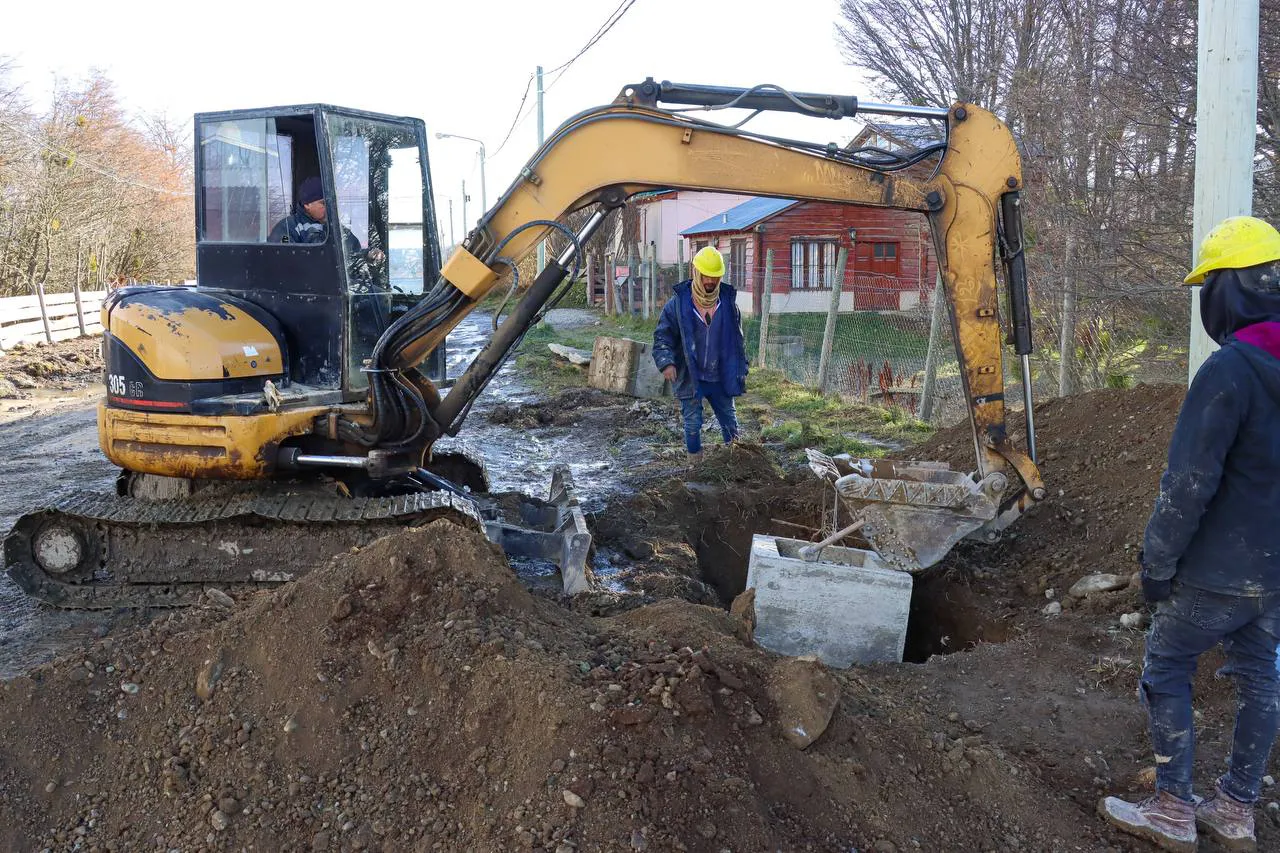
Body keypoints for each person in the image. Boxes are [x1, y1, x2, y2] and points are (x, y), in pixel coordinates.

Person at [1100, 215, 1280, 853]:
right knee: (1263, 677)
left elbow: (1188, 485)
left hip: (1215, 569)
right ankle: (1235, 809)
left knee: (1169, 662)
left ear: (1227, 289)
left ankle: (1174, 807)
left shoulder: (1230, 372)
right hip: (1275, 573)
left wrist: (1156, 564)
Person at [652, 245, 749, 466]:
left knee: (729, 421)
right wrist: (666, 362)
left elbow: (737, 341)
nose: (710, 282)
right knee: (693, 423)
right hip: (691, 374)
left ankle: (736, 462)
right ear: (696, 273)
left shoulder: (728, 305)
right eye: (706, 276)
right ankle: (695, 465)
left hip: (720, 375)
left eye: (715, 277)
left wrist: (740, 367)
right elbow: (662, 337)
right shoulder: (677, 305)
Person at [268, 176, 384, 266]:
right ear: (307, 204)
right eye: (323, 203)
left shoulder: (338, 230)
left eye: (330, 203)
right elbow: (284, 262)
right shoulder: (287, 228)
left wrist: (368, 255)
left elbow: (353, 254)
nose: (329, 208)